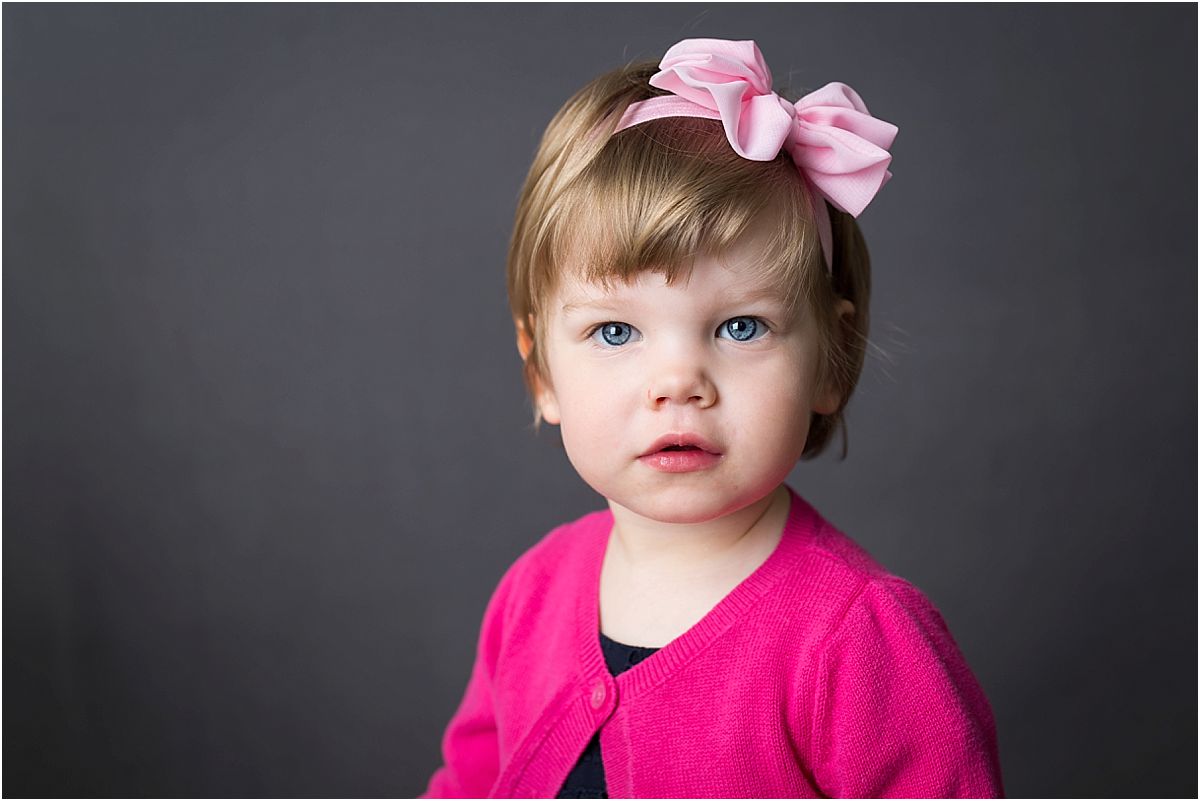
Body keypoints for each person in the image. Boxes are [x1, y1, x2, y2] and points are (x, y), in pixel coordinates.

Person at [421, 38, 1003, 798]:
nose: (678, 383)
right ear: (541, 373)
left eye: (740, 327)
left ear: (829, 357)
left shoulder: (858, 639)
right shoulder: (532, 593)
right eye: (615, 331)